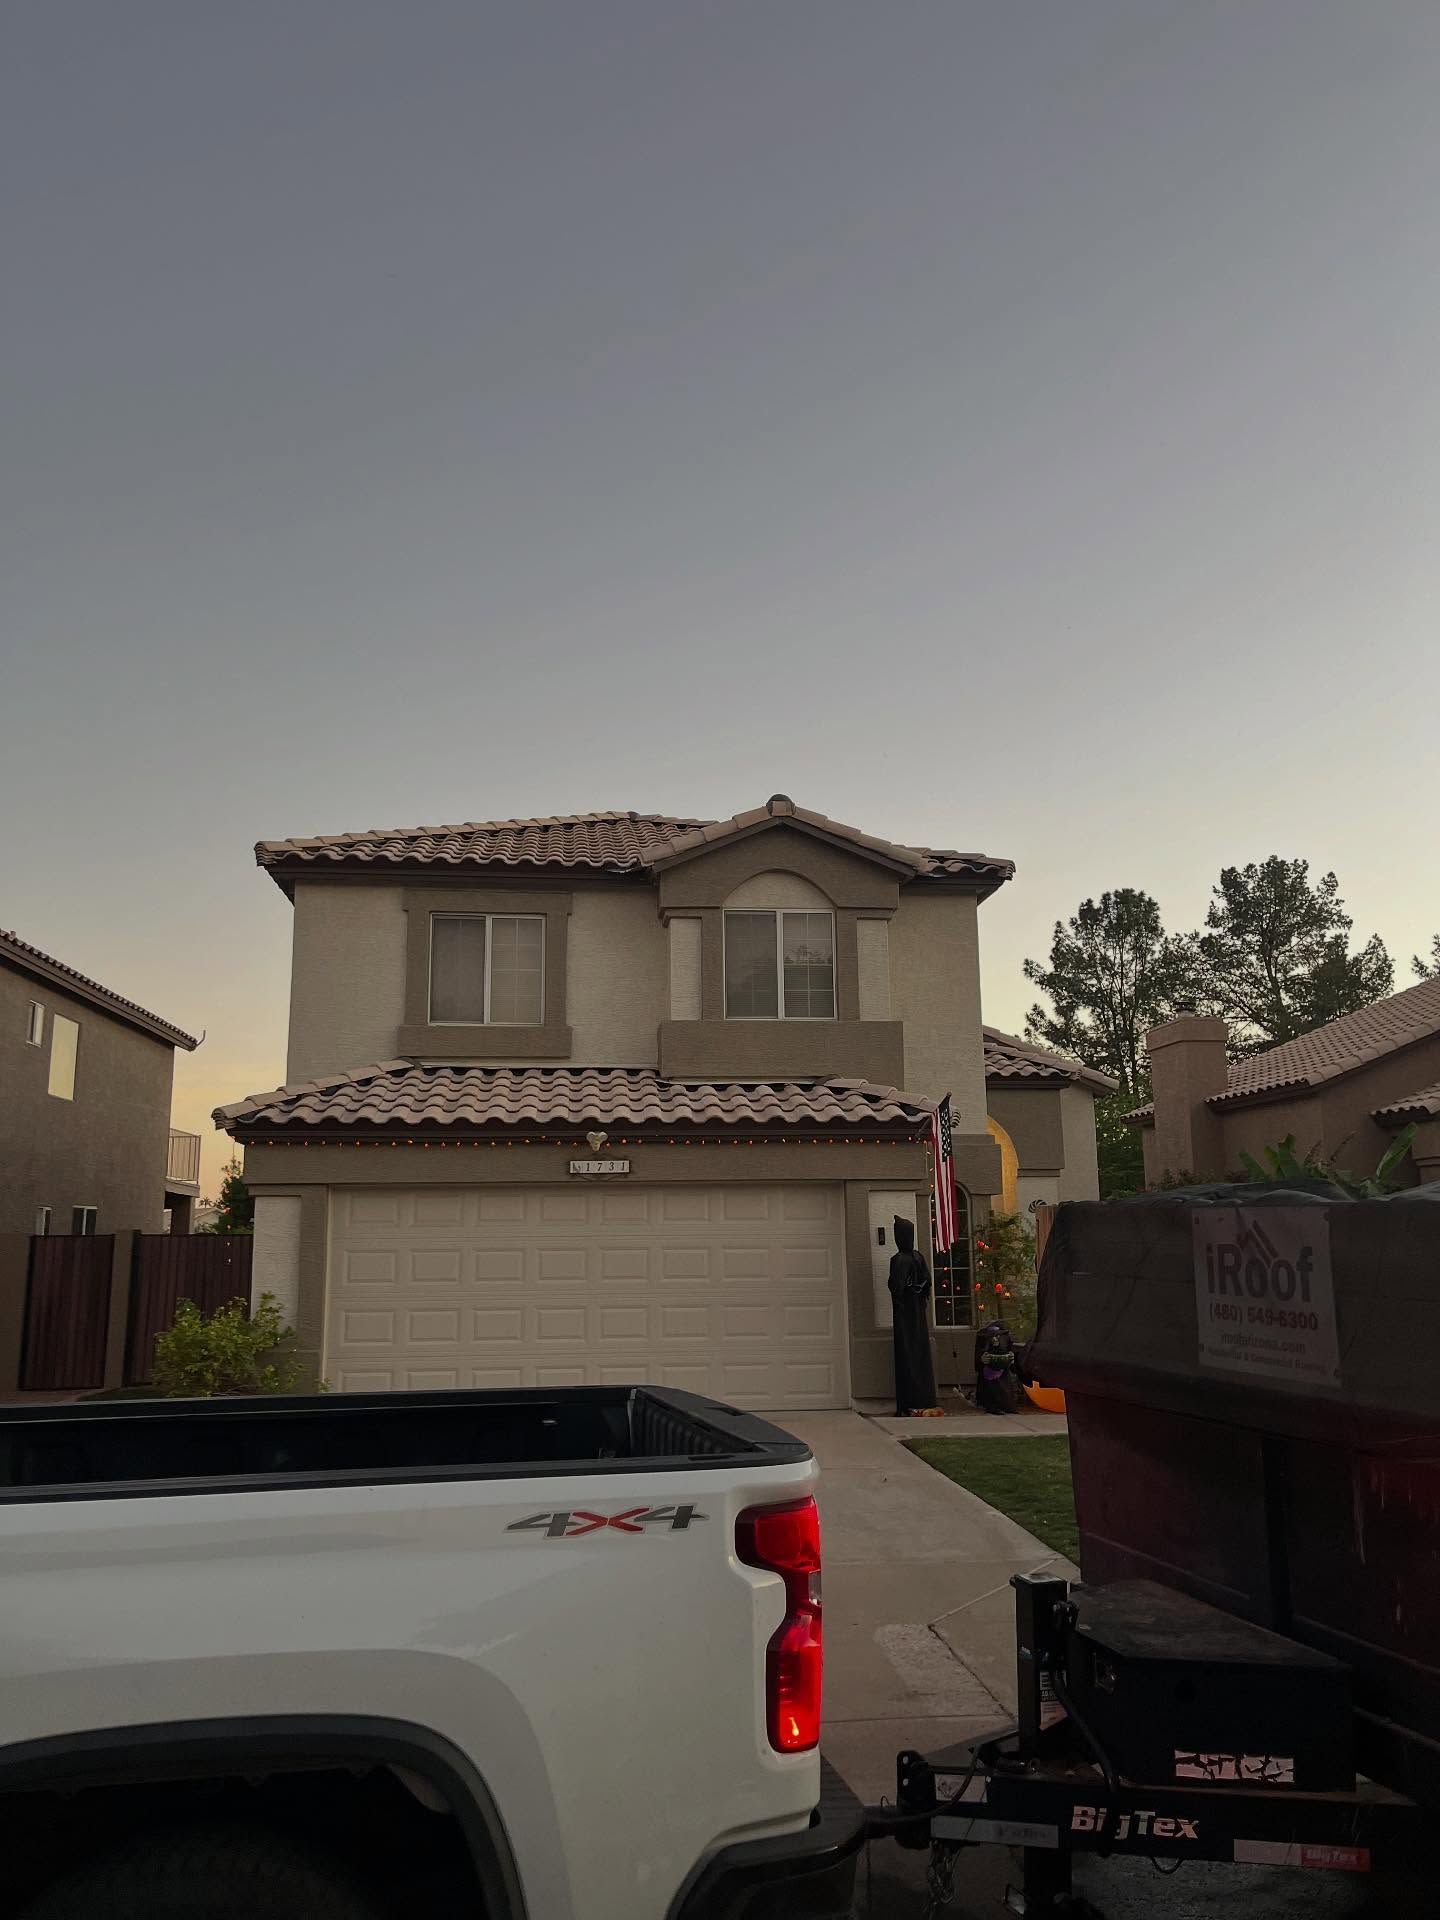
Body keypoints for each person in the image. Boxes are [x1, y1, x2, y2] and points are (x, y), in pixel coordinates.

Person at [888, 1215, 939, 1415]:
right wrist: (918, 1291)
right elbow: (926, 1282)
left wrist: (905, 1291)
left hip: (904, 1317)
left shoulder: (899, 1260)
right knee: (920, 1353)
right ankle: (923, 1398)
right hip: (918, 1314)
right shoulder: (918, 1257)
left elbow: (897, 1287)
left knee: (906, 1356)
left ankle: (908, 1403)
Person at [973, 1319, 1022, 1415]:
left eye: (998, 1336)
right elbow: (979, 1357)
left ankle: (1006, 1405)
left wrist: (1011, 1357)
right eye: (993, 1336)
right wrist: (982, 1359)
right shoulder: (983, 1341)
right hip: (990, 1372)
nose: (995, 1338)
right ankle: (992, 1406)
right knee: (991, 1388)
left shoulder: (1005, 1340)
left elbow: (1009, 1351)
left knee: (1005, 1388)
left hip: (1002, 1370)